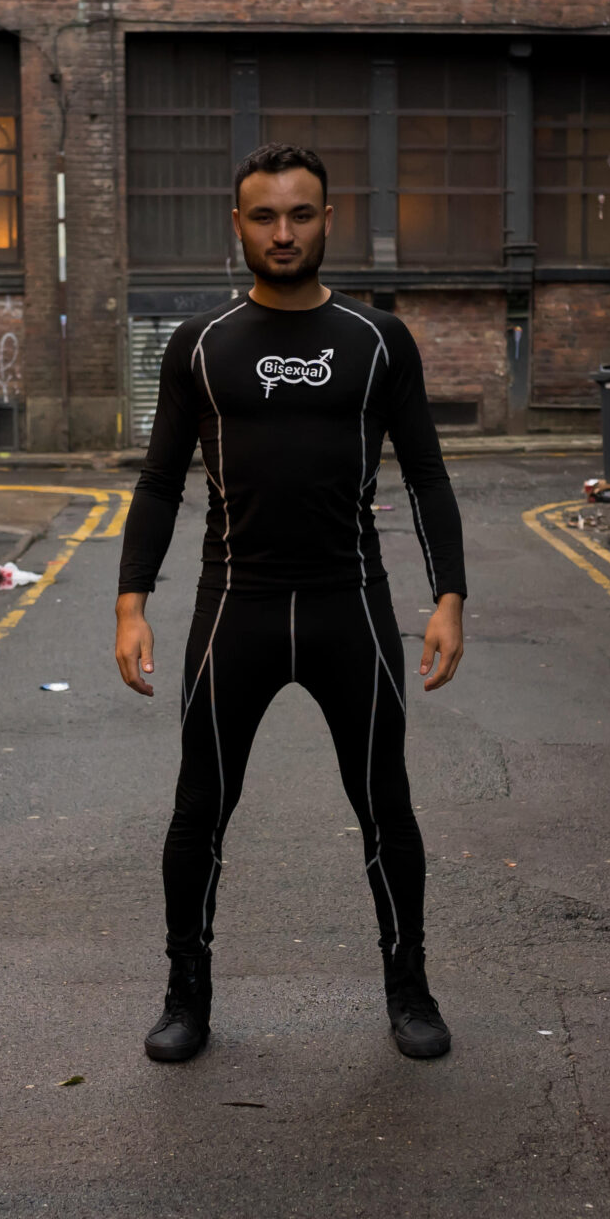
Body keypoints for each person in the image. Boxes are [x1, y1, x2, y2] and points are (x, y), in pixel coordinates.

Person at [113, 142, 468, 1064]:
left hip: (352, 603)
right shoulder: (200, 346)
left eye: (300, 214)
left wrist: (449, 596)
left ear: (326, 219)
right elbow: (158, 483)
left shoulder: (378, 339)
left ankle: (410, 988)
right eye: (265, 216)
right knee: (201, 807)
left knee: (385, 800)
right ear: (238, 224)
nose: (283, 231)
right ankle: (185, 992)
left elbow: (427, 474)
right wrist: (131, 602)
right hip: (239, 606)